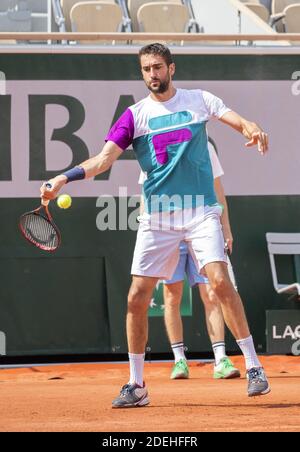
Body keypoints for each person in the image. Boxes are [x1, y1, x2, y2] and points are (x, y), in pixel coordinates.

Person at [41, 43, 270, 408]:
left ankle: (254, 366)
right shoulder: (134, 116)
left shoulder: (198, 100)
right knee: (136, 297)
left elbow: (237, 120)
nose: (153, 75)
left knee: (219, 281)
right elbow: (103, 160)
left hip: (200, 212)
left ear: (171, 69)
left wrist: (251, 128)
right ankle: (136, 385)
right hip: (157, 218)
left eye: (158, 67)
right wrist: (64, 178)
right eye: (147, 68)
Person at [139, 147, 241, 380]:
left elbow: (218, 190)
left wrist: (225, 227)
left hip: (200, 227)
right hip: (167, 229)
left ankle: (220, 359)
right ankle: (179, 361)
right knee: (172, 296)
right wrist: (148, 230)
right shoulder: (152, 145)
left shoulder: (206, 147)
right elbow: (145, 194)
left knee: (212, 295)